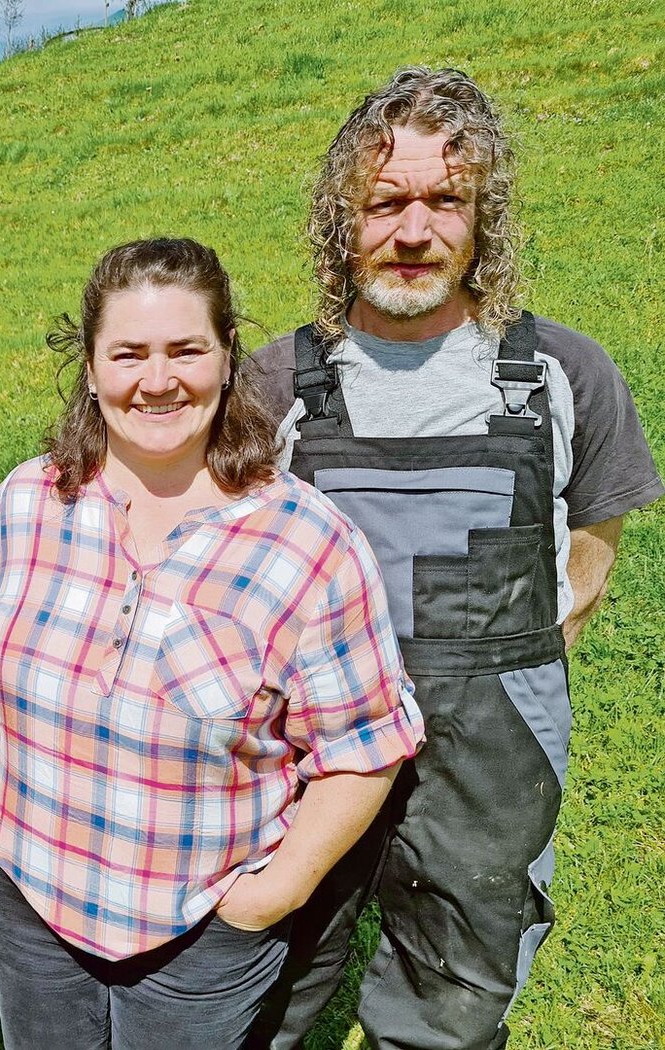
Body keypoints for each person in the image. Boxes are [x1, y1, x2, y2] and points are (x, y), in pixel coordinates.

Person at [248, 68, 664, 1049]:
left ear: (484, 218)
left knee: (457, 995)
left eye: (445, 200)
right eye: (383, 202)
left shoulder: (565, 372)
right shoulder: (271, 381)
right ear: (338, 221)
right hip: (310, 740)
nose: (412, 230)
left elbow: (589, 555)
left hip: (495, 747)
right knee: (270, 974)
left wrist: (504, 673)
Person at [0, 237, 424, 1050]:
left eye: (186, 350)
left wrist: (271, 894)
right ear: (90, 366)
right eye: (129, 354)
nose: (157, 380)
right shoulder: (27, 503)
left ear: (225, 358)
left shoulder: (307, 544)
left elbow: (365, 748)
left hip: (198, 927)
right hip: (29, 893)